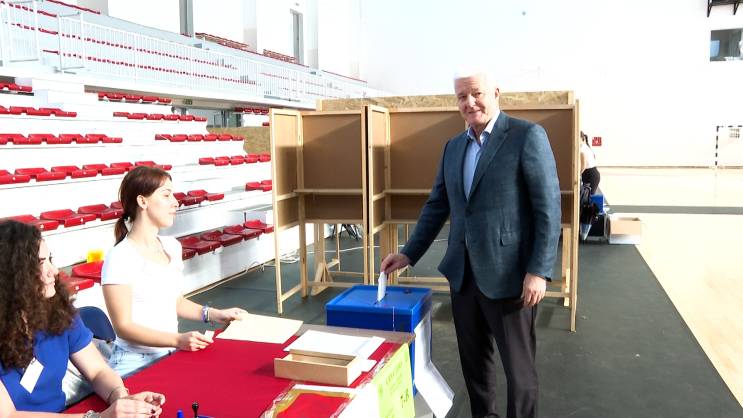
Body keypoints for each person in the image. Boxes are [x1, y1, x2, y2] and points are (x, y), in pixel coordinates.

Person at [381, 71, 561, 418]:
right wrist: (408, 253)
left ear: (495, 93)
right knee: (475, 369)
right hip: (463, 278)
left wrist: (538, 270)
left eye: (476, 93)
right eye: (462, 96)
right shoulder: (453, 147)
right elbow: (437, 205)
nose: (469, 102)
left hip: (510, 278)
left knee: (520, 374)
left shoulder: (526, 136)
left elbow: (548, 208)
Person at [0, 220, 166, 417]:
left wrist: (121, 397)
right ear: (10, 274)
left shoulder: (59, 312)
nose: (54, 271)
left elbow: (97, 371)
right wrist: (97, 417)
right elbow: (8, 415)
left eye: (50, 260)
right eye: (40, 263)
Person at [102, 166, 247, 377]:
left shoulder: (172, 246)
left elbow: (176, 302)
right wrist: (177, 340)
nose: (175, 202)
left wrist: (217, 314)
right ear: (142, 201)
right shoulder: (120, 256)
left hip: (171, 353)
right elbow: (123, 326)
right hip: (133, 363)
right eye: (166, 195)